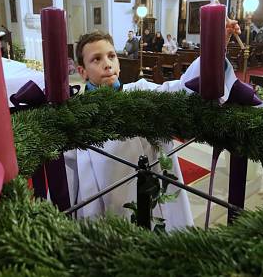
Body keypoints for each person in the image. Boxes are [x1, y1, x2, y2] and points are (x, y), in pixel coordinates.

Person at [71, 31, 192, 229]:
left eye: (111, 56)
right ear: (82, 71)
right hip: (112, 213)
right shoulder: (79, 117)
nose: (107, 64)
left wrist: (216, 43)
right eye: (96, 59)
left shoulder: (142, 90)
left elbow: (180, 89)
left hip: (156, 202)